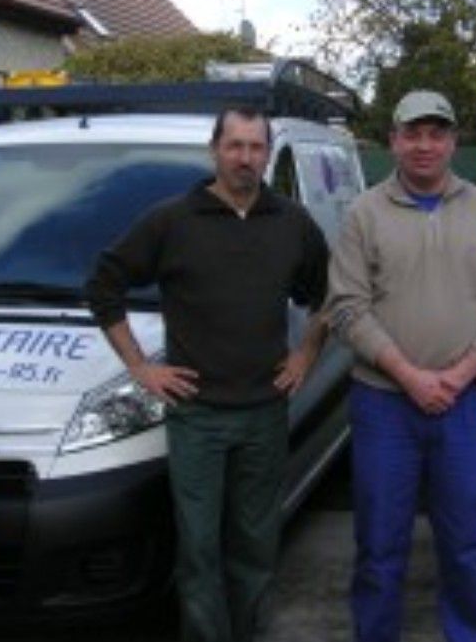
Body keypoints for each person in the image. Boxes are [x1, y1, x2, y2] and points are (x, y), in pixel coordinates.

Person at [85, 106, 329, 642]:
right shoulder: (172, 221)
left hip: (264, 414)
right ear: (214, 150)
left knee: (255, 548)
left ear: (267, 154)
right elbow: (104, 285)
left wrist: (305, 355)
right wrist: (140, 367)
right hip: (197, 417)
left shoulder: (292, 223)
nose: (245, 158)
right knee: (198, 550)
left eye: (256, 147)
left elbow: (331, 294)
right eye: (234, 145)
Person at [326, 90, 476, 642]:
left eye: (435, 134)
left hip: (466, 404)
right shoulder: (363, 213)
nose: (424, 145)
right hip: (383, 406)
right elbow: (347, 308)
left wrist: (458, 374)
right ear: (393, 141)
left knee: (467, 543)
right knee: (378, 544)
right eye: (412, 134)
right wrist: (410, 376)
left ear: (453, 142)